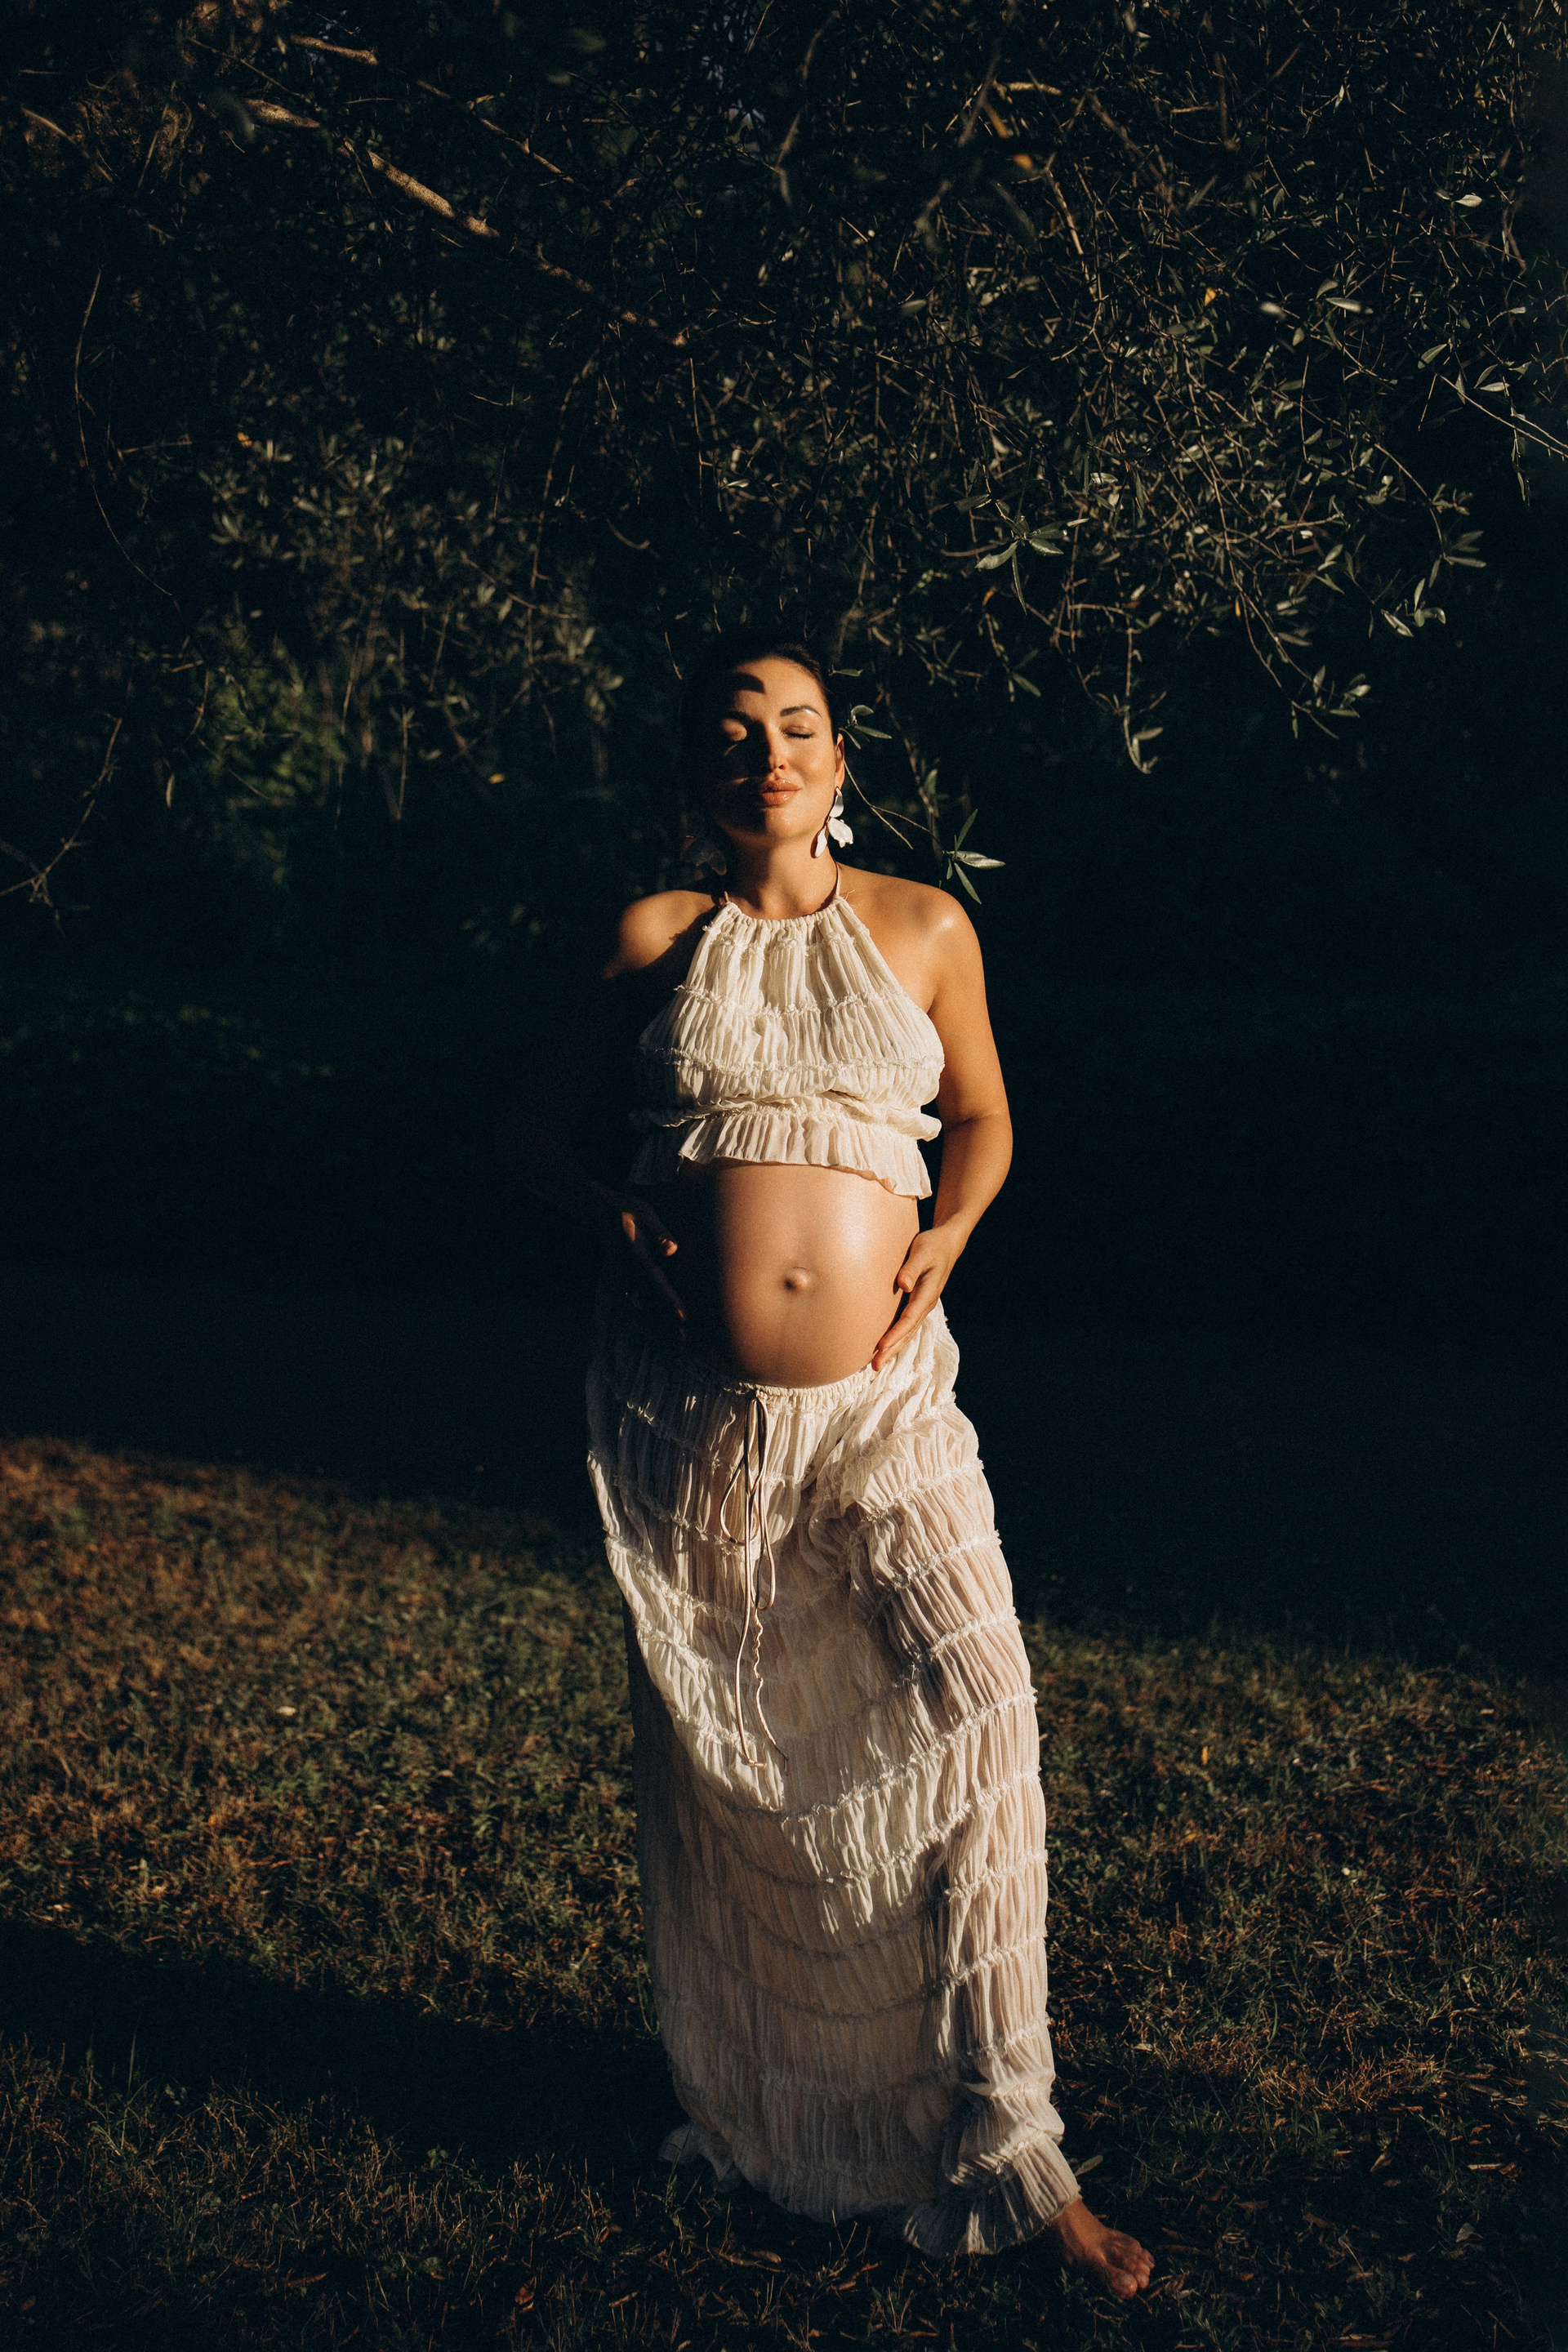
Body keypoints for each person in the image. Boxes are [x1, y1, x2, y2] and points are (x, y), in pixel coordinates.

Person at [521, 629, 1152, 2297]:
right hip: (705, 1424)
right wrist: (622, 1216)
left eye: (797, 725)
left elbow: (988, 1116)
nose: (770, 754)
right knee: (751, 1781)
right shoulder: (653, 938)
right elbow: (538, 1129)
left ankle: (1020, 2154)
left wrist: (954, 1227)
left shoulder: (926, 926)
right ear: (698, 769)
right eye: (734, 731)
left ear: (840, 758)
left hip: (887, 1409)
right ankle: (786, 2118)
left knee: (983, 1711)